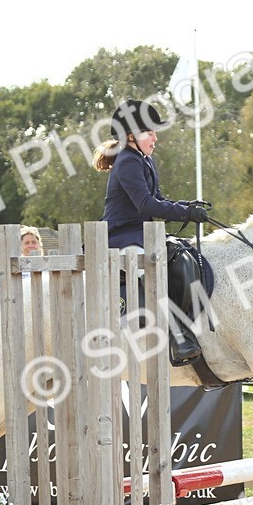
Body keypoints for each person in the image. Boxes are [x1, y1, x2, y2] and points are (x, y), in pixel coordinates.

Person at [94, 98, 207, 365]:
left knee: (182, 254)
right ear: (131, 136)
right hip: (121, 237)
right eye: (149, 132)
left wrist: (186, 206)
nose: (155, 137)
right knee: (152, 270)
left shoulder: (144, 159)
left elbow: (158, 198)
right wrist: (184, 213)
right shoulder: (127, 162)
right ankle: (177, 338)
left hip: (141, 233)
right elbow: (145, 204)